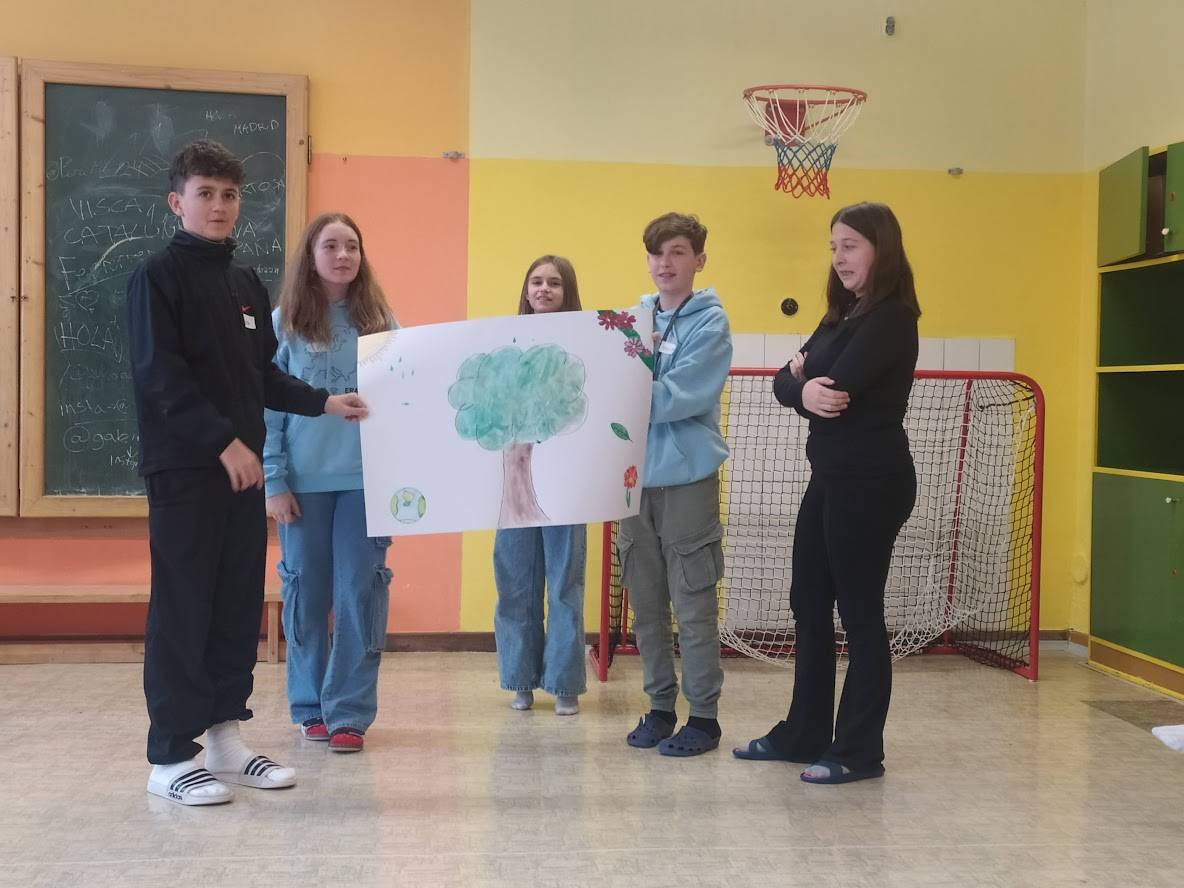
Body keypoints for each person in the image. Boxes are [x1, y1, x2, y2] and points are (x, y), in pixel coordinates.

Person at [127, 140, 368, 806]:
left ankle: (225, 740)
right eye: (205, 194)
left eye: (229, 195)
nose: (219, 206)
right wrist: (223, 443)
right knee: (184, 606)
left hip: (242, 474)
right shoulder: (156, 278)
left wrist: (324, 402)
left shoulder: (245, 284)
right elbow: (160, 378)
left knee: (234, 602)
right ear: (177, 203)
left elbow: (263, 375)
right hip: (185, 472)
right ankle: (169, 756)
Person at [733, 201, 920, 784]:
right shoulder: (841, 315)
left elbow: (834, 391)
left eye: (851, 245)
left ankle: (858, 750)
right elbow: (784, 383)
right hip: (832, 477)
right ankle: (805, 732)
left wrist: (803, 381)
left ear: (881, 248)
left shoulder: (891, 317)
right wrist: (800, 387)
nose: (838, 257)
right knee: (809, 601)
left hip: (872, 483)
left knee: (860, 612)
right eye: (834, 246)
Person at [264, 212, 397, 753]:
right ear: (311, 255)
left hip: (367, 482)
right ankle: (309, 706)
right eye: (331, 246)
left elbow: (404, 396)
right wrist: (274, 479)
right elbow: (266, 404)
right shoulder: (285, 322)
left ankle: (349, 713)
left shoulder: (381, 321)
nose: (343, 256)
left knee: (360, 593)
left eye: (352, 247)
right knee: (305, 592)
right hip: (302, 482)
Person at [618, 213, 732, 757]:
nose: (666, 263)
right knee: (645, 605)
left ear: (699, 260)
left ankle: (703, 718)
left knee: (692, 603)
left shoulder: (711, 324)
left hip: (687, 480)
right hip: (632, 481)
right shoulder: (630, 321)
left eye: (678, 252)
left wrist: (620, 396)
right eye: (657, 253)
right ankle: (660, 708)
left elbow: (682, 395)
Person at [492, 256, 588, 716]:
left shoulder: (587, 343)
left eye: (554, 282)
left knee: (565, 583)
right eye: (536, 281)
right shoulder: (504, 341)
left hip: (568, 480)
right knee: (514, 581)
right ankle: (520, 679)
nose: (544, 289)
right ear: (526, 290)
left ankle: (564, 682)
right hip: (515, 477)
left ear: (567, 292)